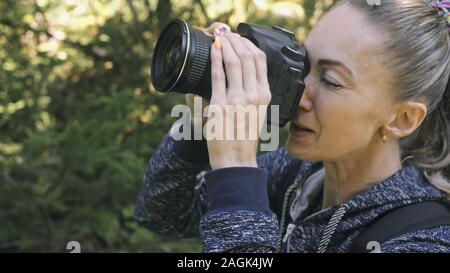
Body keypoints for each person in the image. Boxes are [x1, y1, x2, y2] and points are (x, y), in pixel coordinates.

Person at [135, 0, 450, 253]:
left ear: (402, 119)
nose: (299, 93)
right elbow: (162, 214)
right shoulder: (293, 176)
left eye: (330, 80)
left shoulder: (424, 239)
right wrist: (201, 124)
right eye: (304, 65)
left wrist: (237, 170)